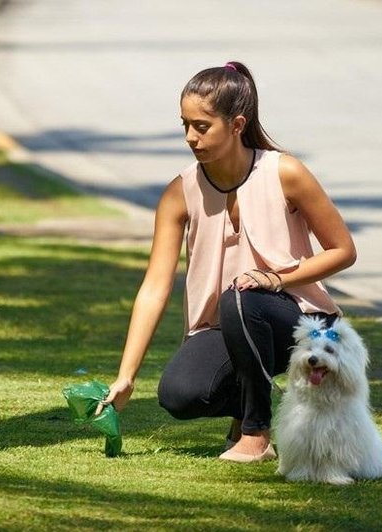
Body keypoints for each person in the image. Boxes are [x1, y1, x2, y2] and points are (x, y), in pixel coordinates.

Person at [96, 61, 357, 463]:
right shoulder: (178, 192)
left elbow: (343, 250)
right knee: (179, 396)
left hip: (303, 320)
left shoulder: (285, 172)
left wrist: (275, 278)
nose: (190, 137)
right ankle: (254, 398)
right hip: (226, 323)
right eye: (184, 124)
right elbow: (154, 286)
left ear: (237, 125)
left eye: (202, 126)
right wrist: (126, 376)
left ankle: (255, 432)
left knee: (240, 294)